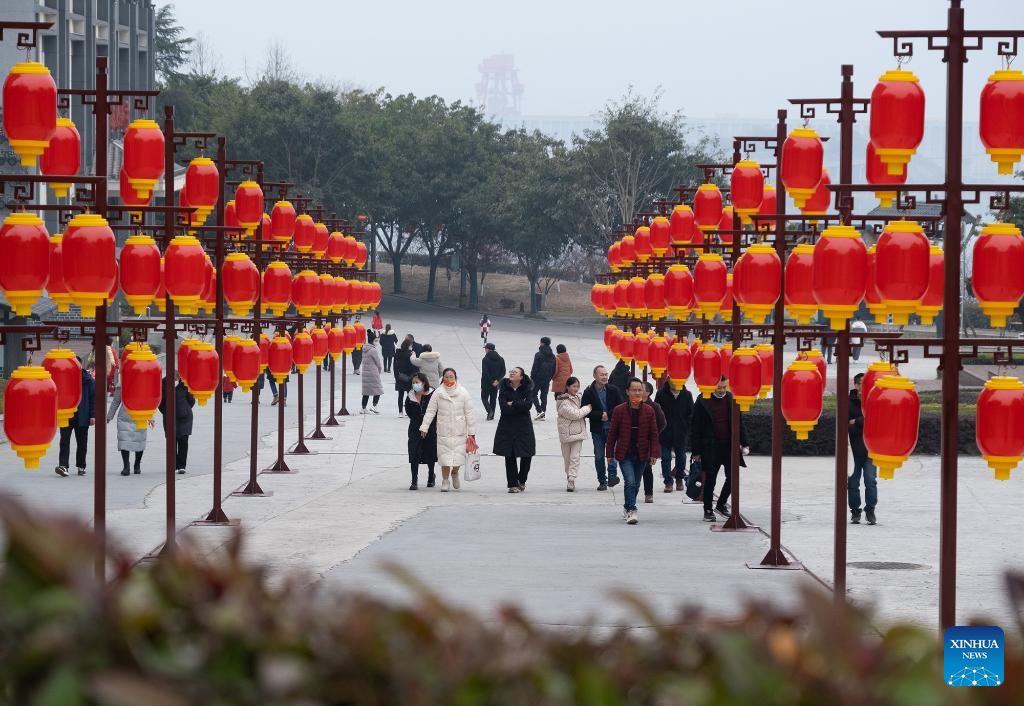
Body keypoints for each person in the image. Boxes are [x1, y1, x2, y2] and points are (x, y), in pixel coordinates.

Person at [689, 376, 749, 522]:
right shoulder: (702, 400)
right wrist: (696, 451)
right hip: (710, 447)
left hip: (729, 445)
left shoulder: (731, 398)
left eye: (724, 387)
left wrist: (745, 443)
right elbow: (695, 427)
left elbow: (739, 422)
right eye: (719, 388)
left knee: (733, 477)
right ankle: (708, 510)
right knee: (710, 479)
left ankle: (721, 504)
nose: (722, 391)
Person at [605, 378, 661, 525]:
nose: (637, 392)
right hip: (625, 453)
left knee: (635, 484)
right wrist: (609, 454)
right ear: (627, 392)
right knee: (629, 482)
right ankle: (632, 509)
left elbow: (654, 434)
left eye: (639, 390)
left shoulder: (649, 411)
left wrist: (654, 453)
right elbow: (612, 434)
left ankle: (626, 506)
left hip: (642, 453)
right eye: (634, 390)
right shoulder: (619, 410)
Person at [420, 367, 476, 492]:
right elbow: (430, 411)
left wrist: (471, 433)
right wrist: (425, 426)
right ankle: (445, 481)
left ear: (455, 378)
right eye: (446, 376)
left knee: (457, 459)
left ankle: (455, 473)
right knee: (444, 459)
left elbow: (470, 413)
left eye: (451, 376)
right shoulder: (438, 393)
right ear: (443, 378)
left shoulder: (463, 393)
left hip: (459, 431)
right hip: (443, 431)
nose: (448, 379)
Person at [581, 365, 624, 490]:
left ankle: (612, 475)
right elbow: (585, 409)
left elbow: (620, 406)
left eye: (606, 374)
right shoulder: (588, 392)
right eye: (602, 374)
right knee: (599, 456)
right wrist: (600, 415)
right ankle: (602, 481)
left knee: (612, 453)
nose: (605, 377)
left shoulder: (613, 390)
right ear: (595, 376)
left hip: (612, 428)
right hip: (597, 429)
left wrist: (608, 415)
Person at [494, 366, 536, 493]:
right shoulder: (504, 388)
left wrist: (513, 403)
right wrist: (519, 405)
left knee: (527, 454)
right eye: (511, 371)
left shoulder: (527, 389)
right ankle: (512, 484)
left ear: (521, 377)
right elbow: (503, 407)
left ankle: (521, 480)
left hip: (524, 427)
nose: (512, 373)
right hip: (507, 426)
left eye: (515, 372)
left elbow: (528, 405)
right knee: (510, 454)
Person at [55, 357, 95, 477]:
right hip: (66, 414)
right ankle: (63, 466)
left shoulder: (88, 380)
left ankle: (81, 466)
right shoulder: (63, 379)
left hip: (83, 414)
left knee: (82, 442)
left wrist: (93, 415)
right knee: (64, 441)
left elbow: (93, 399)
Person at [655, 377, 694, 492]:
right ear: (668, 380)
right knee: (666, 458)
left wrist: (687, 426)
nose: (674, 383)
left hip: (681, 432)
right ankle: (668, 482)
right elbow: (656, 411)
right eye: (672, 380)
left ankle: (679, 479)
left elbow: (691, 413)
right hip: (665, 432)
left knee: (681, 457)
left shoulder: (687, 394)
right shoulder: (661, 393)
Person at [107, 381, 155, 476]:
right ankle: (126, 466)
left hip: (140, 416)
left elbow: (147, 401)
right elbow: (116, 401)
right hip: (124, 417)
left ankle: (137, 465)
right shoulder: (122, 384)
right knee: (124, 441)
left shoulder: (143, 382)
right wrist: (109, 416)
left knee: (139, 441)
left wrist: (150, 417)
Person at [848, 373, 877, 525]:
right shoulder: (848, 402)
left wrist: (857, 421)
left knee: (870, 480)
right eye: (860, 383)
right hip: (853, 450)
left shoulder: (874, 400)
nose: (862, 386)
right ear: (855, 385)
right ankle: (855, 512)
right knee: (852, 482)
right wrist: (864, 423)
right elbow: (846, 425)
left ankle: (870, 510)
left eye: (865, 383)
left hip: (872, 449)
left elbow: (876, 420)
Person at [556, 376, 591, 492]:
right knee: (567, 458)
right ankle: (569, 476)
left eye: (577, 386)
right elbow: (576, 414)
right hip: (566, 434)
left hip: (578, 433)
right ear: (567, 387)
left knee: (575, 457)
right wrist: (587, 408)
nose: (576, 389)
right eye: (573, 386)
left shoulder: (578, 397)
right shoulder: (563, 402)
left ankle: (571, 478)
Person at [405, 372, 437, 489]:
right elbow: (408, 411)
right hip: (414, 428)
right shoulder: (410, 396)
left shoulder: (432, 394)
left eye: (417, 382)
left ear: (423, 383)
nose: (415, 385)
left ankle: (431, 476)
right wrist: (417, 421)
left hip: (430, 429)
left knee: (430, 452)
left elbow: (435, 411)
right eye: (413, 383)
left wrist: (428, 425)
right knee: (414, 453)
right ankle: (414, 480)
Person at [159, 374, 196, 475]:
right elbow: (160, 402)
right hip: (170, 418)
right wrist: (167, 411)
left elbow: (192, 400)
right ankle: (174, 465)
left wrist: (184, 408)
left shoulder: (185, 384)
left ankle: (182, 466)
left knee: (183, 441)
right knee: (172, 441)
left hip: (185, 418)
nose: (176, 375)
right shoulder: (163, 385)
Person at [638, 381, 667, 503]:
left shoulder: (654, 407)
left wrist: (653, 434)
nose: (638, 391)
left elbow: (662, 423)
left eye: (641, 389)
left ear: (648, 393)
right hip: (633, 441)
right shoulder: (633, 403)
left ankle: (648, 493)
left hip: (647, 442)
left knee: (646, 468)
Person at [529, 336, 556, 420]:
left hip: (537, 378)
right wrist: (550, 377)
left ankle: (539, 411)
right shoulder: (552, 356)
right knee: (544, 396)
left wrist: (532, 378)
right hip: (547, 379)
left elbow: (535, 367)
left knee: (533, 394)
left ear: (542, 343)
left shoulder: (538, 354)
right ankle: (543, 414)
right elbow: (554, 368)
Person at [360, 330, 385, 414]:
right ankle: (374, 406)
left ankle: (363, 408)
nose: (377, 342)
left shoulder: (364, 349)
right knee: (378, 390)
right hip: (373, 373)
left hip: (365, 373)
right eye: (376, 341)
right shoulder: (373, 350)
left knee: (366, 391)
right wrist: (380, 370)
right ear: (372, 341)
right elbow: (378, 362)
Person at [480, 342, 506, 421]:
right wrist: (497, 380)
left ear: (487, 349)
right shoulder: (501, 359)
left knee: (484, 397)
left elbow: (485, 372)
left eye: (485, 348)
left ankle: (489, 411)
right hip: (496, 383)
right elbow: (503, 371)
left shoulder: (485, 359)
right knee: (493, 399)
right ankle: (492, 415)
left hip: (486, 383)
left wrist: (491, 381)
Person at [393, 338, 415, 416]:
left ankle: (400, 412)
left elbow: (394, 366)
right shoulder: (410, 354)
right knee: (409, 395)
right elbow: (412, 367)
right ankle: (408, 411)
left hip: (400, 377)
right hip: (408, 377)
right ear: (409, 345)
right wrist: (412, 377)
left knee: (400, 395)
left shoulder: (397, 353)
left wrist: (396, 376)